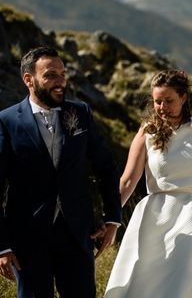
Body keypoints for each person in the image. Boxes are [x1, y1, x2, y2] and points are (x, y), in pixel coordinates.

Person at [104, 69, 192, 297]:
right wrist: (110, 220)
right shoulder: (147, 132)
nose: (162, 107)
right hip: (155, 217)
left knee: (191, 281)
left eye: (169, 100)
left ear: (183, 97)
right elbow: (128, 180)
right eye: (157, 101)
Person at [0, 46, 122, 297]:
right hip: (27, 238)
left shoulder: (80, 113)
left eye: (63, 74)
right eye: (51, 75)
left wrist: (113, 218)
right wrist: (2, 246)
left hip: (77, 233)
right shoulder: (7, 120)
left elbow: (106, 167)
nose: (60, 82)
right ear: (28, 79)